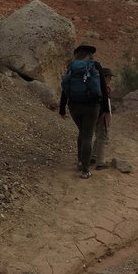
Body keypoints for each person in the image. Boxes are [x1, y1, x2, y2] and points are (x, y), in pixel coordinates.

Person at [59, 44, 111, 178]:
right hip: (92, 106)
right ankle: (85, 170)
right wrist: (106, 109)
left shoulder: (72, 65)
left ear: (78, 54)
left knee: (82, 132)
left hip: (74, 106)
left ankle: (80, 161)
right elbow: (103, 88)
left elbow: (66, 87)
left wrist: (62, 108)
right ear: (89, 54)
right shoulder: (95, 65)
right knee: (87, 136)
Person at [92, 68, 114, 169]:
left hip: (94, 114)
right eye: (109, 77)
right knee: (103, 137)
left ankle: (93, 156)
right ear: (104, 77)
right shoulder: (105, 89)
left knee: (98, 136)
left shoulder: (95, 86)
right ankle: (100, 162)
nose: (110, 80)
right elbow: (107, 105)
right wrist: (108, 115)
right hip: (102, 115)